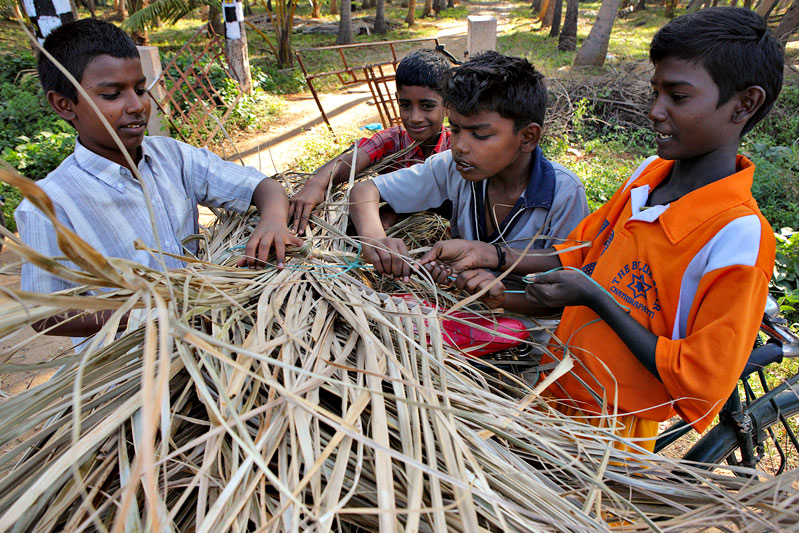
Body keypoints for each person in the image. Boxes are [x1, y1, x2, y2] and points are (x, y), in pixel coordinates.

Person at [420, 7, 784, 451]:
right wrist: (496, 262)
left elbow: (698, 377)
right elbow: (584, 252)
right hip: (557, 388)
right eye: (655, 91)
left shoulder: (737, 236)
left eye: (678, 96)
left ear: (745, 103)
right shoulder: (649, 176)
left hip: (616, 429)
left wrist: (595, 297)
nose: (655, 111)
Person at [15, 18, 302, 340]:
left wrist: (273, 222)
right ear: (64, 105)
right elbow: (47, 314)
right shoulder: (48, 204)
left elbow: (264, 187)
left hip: (210, 331)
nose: (137, 106)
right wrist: (164, 306)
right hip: (136, 361)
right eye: (112, 95)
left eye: (140, 89)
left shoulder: (172, 157)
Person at [350, 51, 588, 314]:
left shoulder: (563, 193)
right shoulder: (451, 168)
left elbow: (571, 290)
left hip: (533, 334)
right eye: (455, 129)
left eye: (480, 134)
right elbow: (365, 190)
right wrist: (375, 240)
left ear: (528, 137)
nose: (460, 146)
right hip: (462, 313)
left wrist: (501, 296)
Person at [288, 48, 452, 236]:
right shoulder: (393, 141)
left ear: (447, 106)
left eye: (427, 106)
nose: (415, 117)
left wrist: (395, 212)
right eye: (405, 105)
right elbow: (354, 159)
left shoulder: (455, 149)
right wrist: (316, 184)